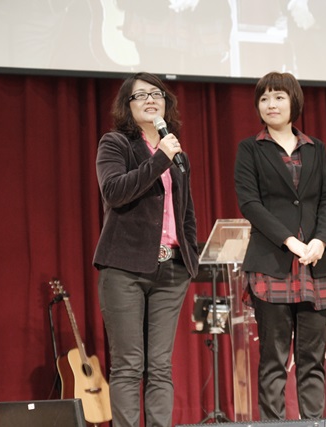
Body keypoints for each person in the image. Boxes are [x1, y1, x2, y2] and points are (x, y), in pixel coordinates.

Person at [93, 72, 199, 427]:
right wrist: (159, 159)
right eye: (140, 95)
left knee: (160, 366)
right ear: (128, 105)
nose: (151, 99)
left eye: (157, 94)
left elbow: (186, 212)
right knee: (128, 365)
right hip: (124, 268)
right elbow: (114, 191)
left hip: (172, 271)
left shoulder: (177, 151)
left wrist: (190, 257)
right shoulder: (115, 144)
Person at [234, 71, 326, 420]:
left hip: (315, 263)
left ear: (294, 102)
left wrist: (321, 240)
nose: (271, 104)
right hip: (272, 262)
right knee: (273, 360)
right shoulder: (250, 148)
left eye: (278, 97)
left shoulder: (316, 148)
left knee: (312, 360)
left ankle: (314, 424)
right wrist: (290, 240)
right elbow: (250, 203)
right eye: (264, 98)